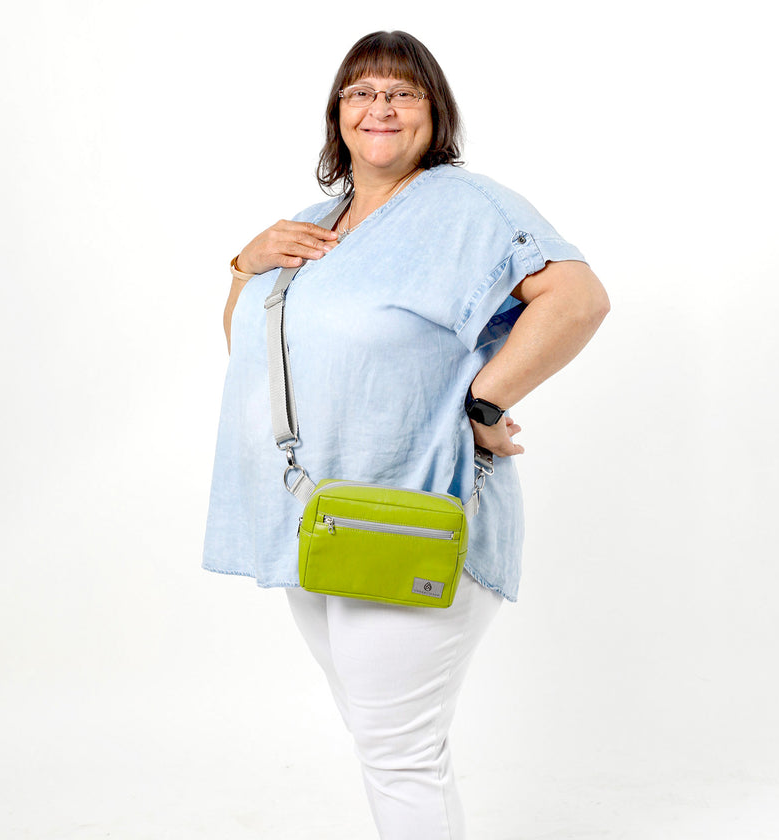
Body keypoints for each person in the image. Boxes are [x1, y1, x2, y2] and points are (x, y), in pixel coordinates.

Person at [204, 30, 609, 839]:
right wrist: (245, 266)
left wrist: (482, 403)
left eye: (402, 92)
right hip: (317, 518)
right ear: (337, 115)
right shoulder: (316, 222)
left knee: (396, 751)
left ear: (435, 113)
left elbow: (579, 297)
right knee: (393, 746)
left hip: (412, 511)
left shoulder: (468, 208)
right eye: (361, 92)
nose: (379, 107)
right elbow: (253, 347)